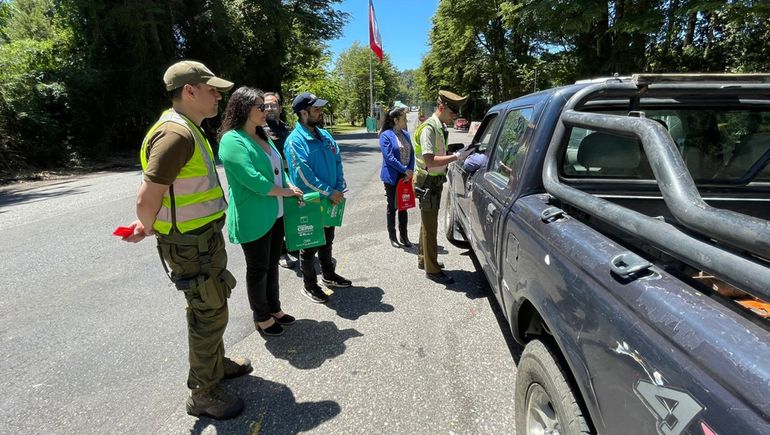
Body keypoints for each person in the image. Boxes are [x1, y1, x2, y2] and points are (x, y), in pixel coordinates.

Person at [122, 60, 250, 420]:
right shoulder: (176, 134)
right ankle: (204, 393)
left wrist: (149, 221)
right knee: (206, 312)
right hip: (190, 244)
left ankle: (216, 364)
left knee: (213, 304)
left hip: (203, 239)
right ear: (189, 91)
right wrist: (145, 225)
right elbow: (148, 194)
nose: (218, 97)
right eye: (211, 90)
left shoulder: (188, 128)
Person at [217, 87, 304, 337]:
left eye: (266, 107)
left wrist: (289, 184)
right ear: (244, 108)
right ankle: (261, 316)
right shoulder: (232, 139)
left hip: (274, 212)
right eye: (260, 106)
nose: (266, 110)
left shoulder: (261, 135)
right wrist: (284, 192)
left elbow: (279, 167)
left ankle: (274, 308)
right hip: (253, 215)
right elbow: (251, 179)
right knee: (258, 268)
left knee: (272, 265)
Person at [284, 92, 352, 303]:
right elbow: (303, 175)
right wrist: (329, 191)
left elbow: (337, 160)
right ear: (302, 113)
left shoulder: (325, 135)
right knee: (310, 245)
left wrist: (339, 186)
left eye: (320, 108)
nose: (320, 112)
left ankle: (329, 276)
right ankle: (310, 285)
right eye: (316, 109)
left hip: (331, 198)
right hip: (312, 201)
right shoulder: (295, 141)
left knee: (327, 240)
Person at [413, 90, 473, 285]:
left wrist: (453, 152)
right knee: (430, 227)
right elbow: (430, 160)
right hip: (428, 181)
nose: (454, 116)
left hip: (433, 181)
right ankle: (432, 269)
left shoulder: (438, 127)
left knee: (426, 224)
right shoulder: (430, 127)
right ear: (441, 107)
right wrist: (457, 157)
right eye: (452, 112)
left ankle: (424, 260)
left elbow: (437, 152)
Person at [263, 91, 298, 269]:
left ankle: (290, 245)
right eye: (266, 105)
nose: (269, 108)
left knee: (289, 213)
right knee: (278, 216)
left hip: (289, 176)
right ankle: (281, 253)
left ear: (280, 107)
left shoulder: (285, 128)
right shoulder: (261, 130)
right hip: (275, 178)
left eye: (273, 105)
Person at [379, 107, 415, 247]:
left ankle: (404, 236)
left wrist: (410, 170)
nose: (406, 121)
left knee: (403, 206)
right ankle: (393, 236)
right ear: (395, 120)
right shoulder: (385, 135)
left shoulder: (405, 134)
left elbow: (411, 153)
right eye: (404, 118)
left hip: (406, 175)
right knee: (392, 206)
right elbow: (389, 157)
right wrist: (404, 170)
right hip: (393, 176)